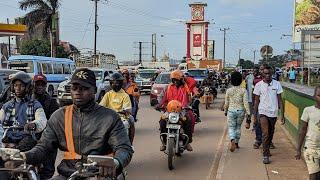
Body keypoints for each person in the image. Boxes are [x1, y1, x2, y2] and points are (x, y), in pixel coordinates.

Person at [7, 68, 134, 179]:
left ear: (94, 90)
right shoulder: (59, 116)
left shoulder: (110, 117)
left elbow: (124, 148)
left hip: (99, 174)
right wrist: (23, 157)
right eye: (74, 88)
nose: (78, 92)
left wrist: (115, 162)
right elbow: (43, 147)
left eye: (84, 88)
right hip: (68, 174)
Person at [0, 71, 47, 151]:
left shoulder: (35, 104)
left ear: (28, 87)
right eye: (15, 85)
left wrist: (34, 124)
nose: (18, 88)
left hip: (27, 137)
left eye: (21, 86)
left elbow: (42, 120)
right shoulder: (7, 106)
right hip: (8, 136)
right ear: (12, 87)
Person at [253, 65, 285, 164]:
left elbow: (280, 100)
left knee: (270, 133)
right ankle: (265, 155)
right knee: (265, 133)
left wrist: (282, 115)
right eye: (265, 73)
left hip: (273, 113)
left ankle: (267, 147)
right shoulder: (258, 85)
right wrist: (254, 116)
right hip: (263, 112)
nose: (267, 75)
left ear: (272, 74)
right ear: (262, 74)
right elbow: (256, 102)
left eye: (269, 73)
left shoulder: (277, 84)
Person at [156, 69, 193, 151]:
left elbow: (192, 86)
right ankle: (164, 142)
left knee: (189, 121)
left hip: (182, 110)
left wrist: (185, 82)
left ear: (181, 79)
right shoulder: (167, 87)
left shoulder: (185, 88)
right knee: (162, 122)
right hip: (169, 110)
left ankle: (188, 142)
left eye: (177, 80)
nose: (175, 81)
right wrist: (159, 104)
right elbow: (161, 98)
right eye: (174, 80)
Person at [32, 74, 60, 179]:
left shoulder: (52, 102)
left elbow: (55, 123)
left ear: (46, 86)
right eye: (37, 84)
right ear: (33, 85)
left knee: (47, 170)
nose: (39, 86)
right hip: (29, 137)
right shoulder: (27, 100)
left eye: (42, 84)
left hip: (47, 137)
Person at [99, 72, 135, 144]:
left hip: (121, 118)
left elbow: (127, 109)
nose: (114, 85)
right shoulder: (108, 94)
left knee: (131, 121)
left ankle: (129, 144)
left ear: (121, 83)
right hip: (108, 117)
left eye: (117, 83)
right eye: (112, 83)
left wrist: (124, 111)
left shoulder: (125, 95)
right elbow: (101, 106)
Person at [295, 86, 320, 180]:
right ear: (314, 96)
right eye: (319, 95)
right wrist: (298, 149)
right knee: (314, 175)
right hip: (311, 148)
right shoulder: (308, 110)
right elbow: (303, 130)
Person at [224, 71, 251, 152]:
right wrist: (248, 113)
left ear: (231, 80)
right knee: (238, 127)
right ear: (240, 80)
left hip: (231, 111)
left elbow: (226, 103)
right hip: (241, 111)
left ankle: (232, 139)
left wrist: (225, 111)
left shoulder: (229, 91)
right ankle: (236, 143)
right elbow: (246, 103)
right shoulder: (243, 91)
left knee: (231, 127)